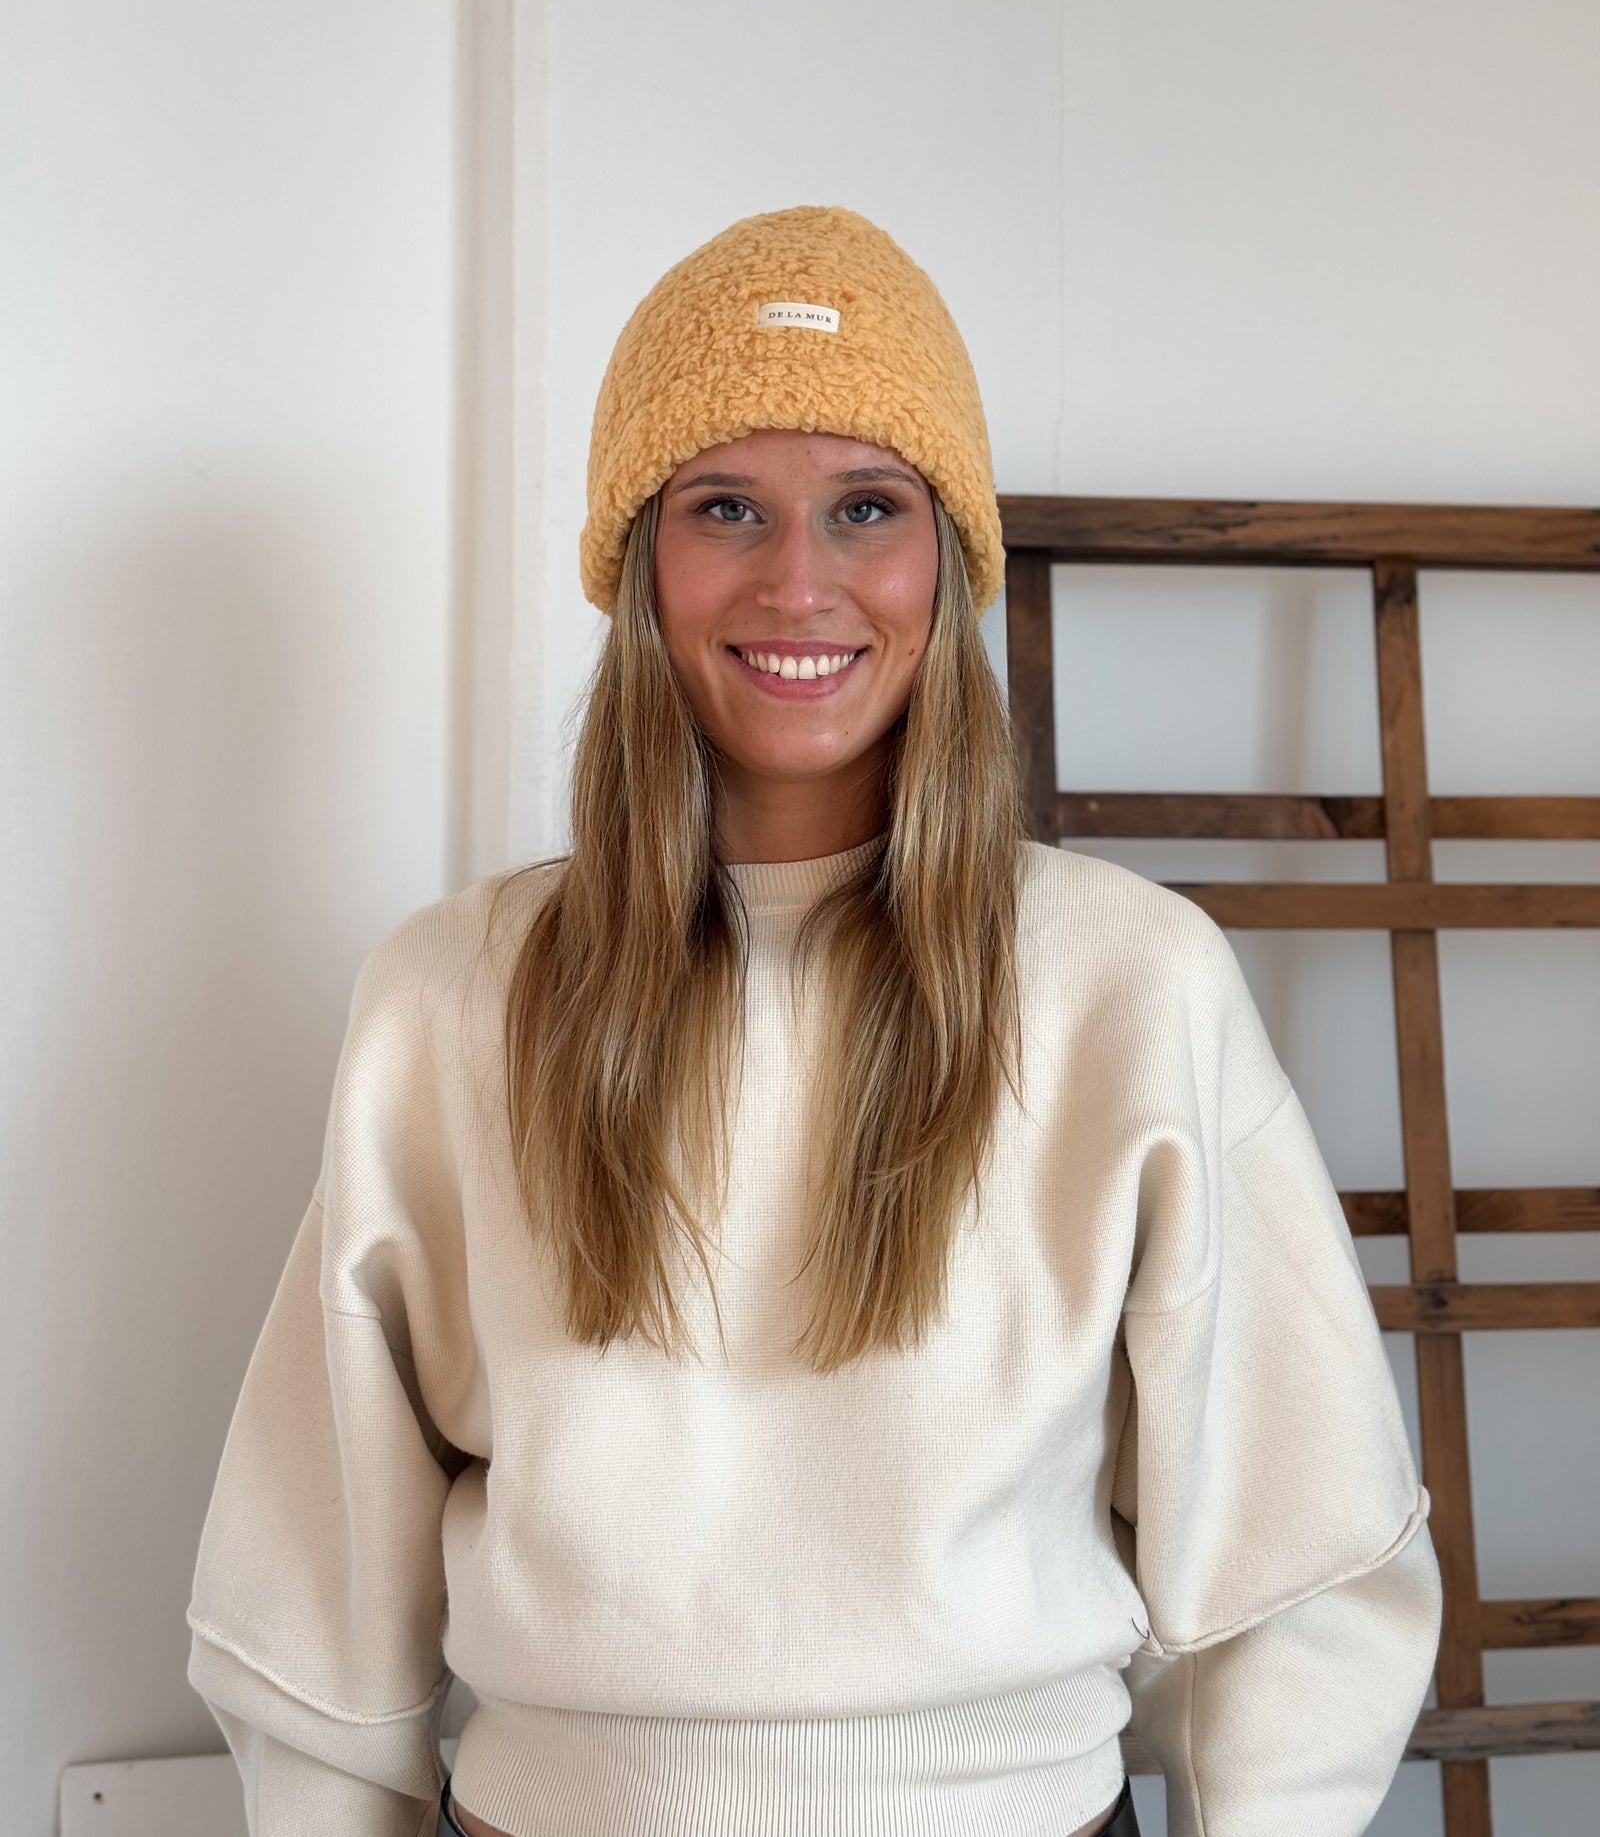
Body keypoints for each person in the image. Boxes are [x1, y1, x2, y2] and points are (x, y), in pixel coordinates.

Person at [186, 204, 1443, 1837]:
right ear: (639, 562)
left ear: (947, 559)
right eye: (726, 506)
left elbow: (1307, 1563)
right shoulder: (450, 1000)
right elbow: (311, 1598)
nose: (800, 579)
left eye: (867, 506)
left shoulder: (1131, 984)